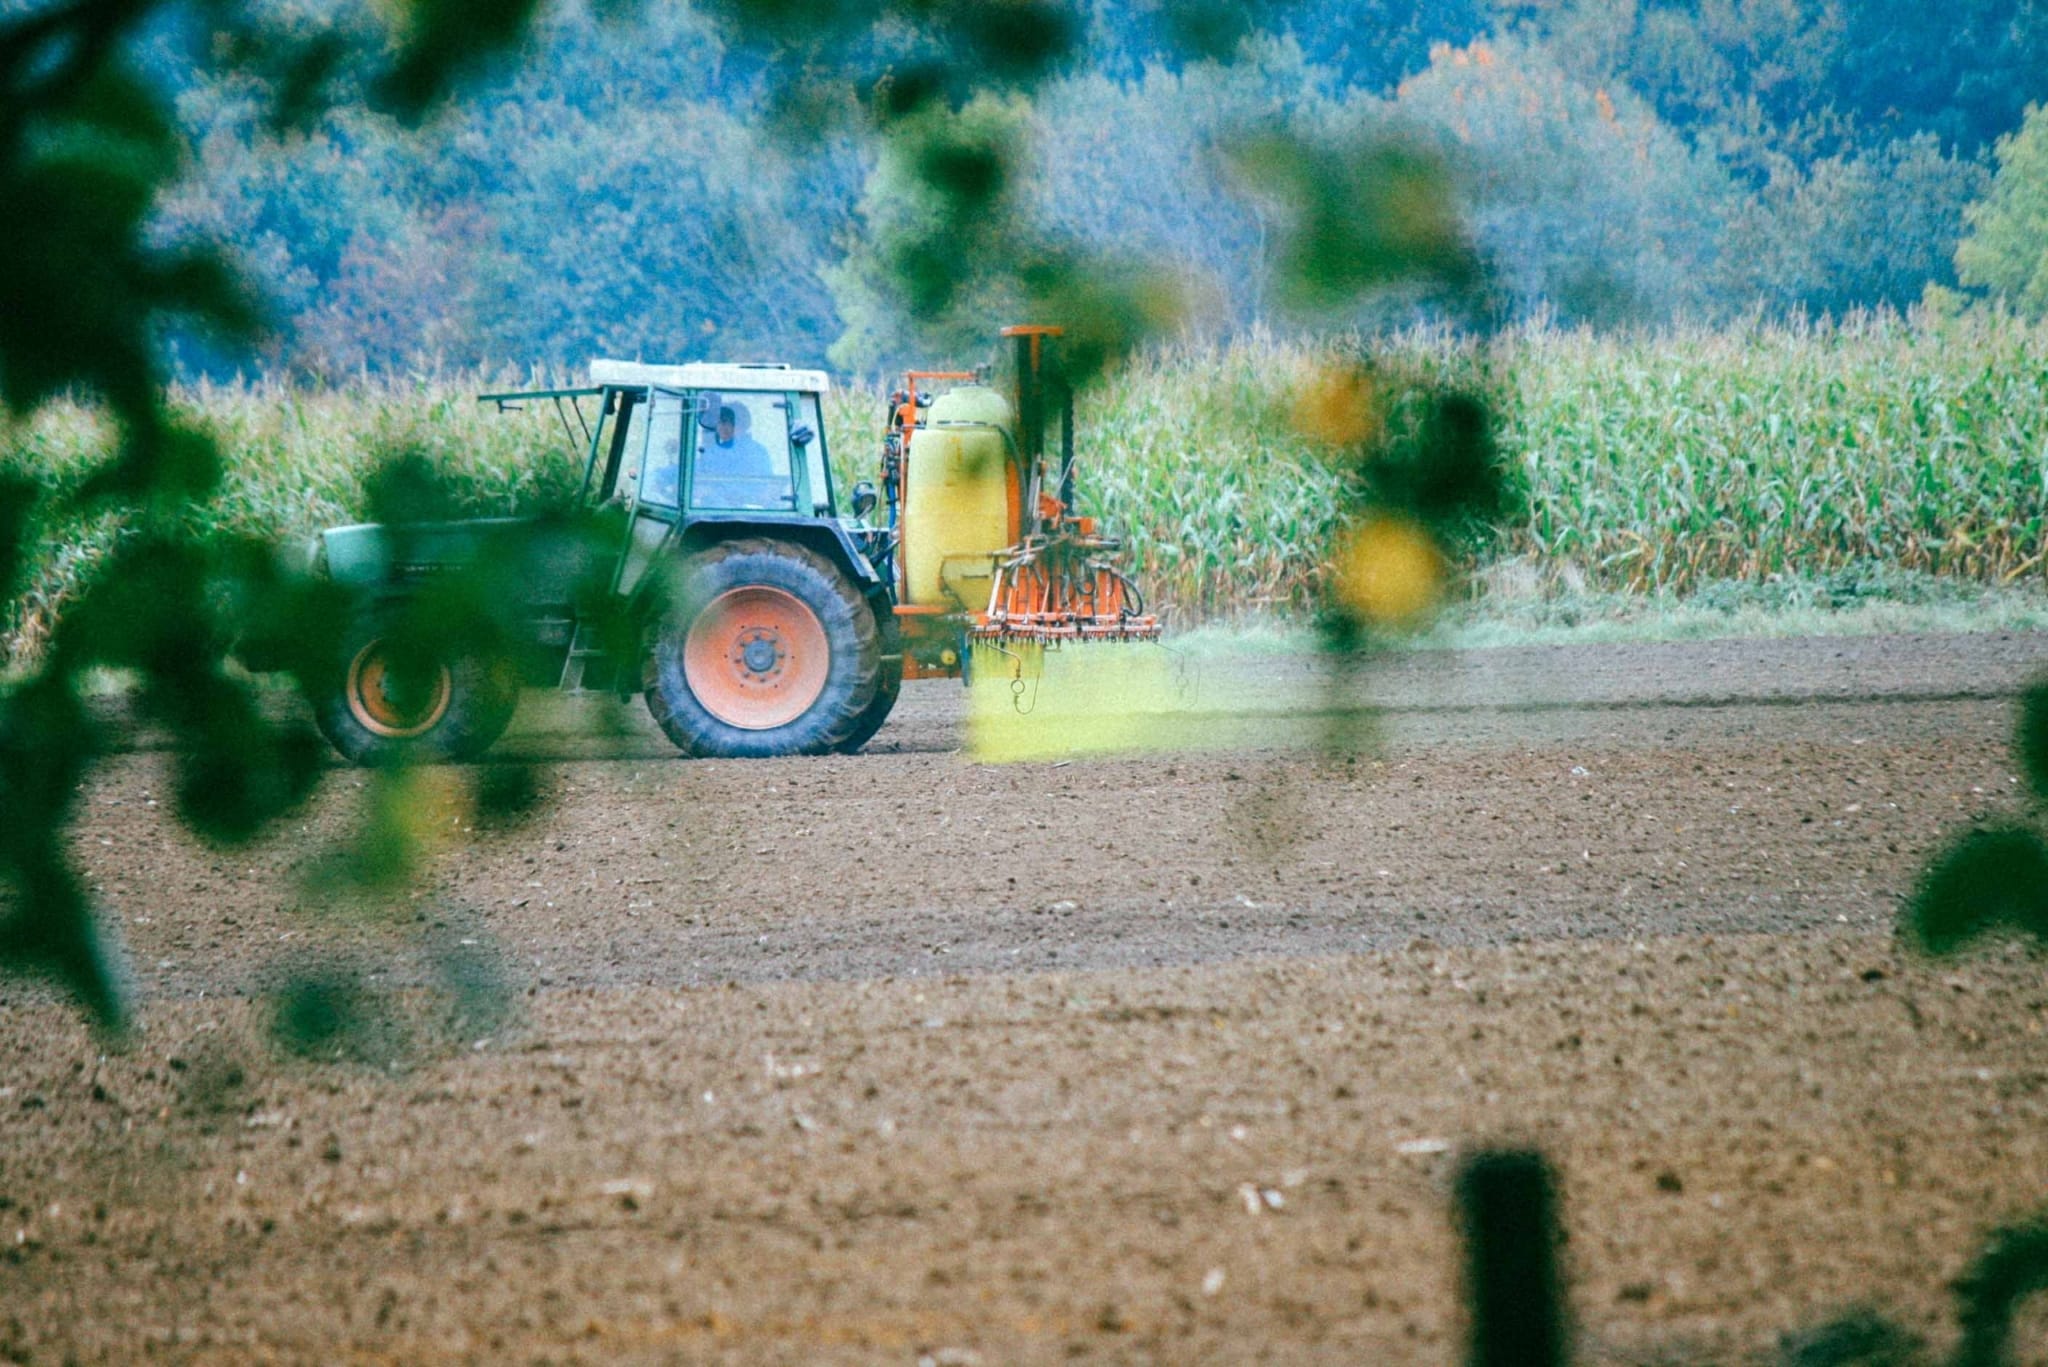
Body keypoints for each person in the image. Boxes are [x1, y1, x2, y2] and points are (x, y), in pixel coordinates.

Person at [699, 400, 773, 479]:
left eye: (724, 422)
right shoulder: (760, 451)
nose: (719, 427)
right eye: (718, 423)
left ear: (741, 425)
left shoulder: (716, 452)